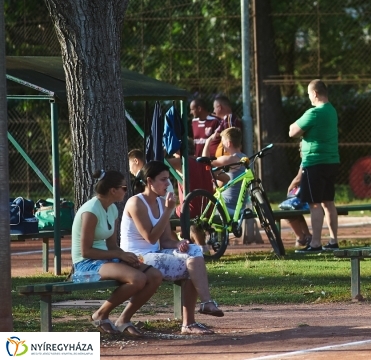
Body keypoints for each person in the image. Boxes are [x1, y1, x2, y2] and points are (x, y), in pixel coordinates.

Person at [121, 161, 223, 335]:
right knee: (191, 267)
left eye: (168, 179)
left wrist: (178, 244)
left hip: (154, 253)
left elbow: (166, 239)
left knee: (195, 251)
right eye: (163, 180)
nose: (168, 184)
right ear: (149, 181)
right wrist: (169, 211)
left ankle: (204, 305)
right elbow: (150, 237)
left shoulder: (161, 203)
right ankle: (190, 321)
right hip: (136, 257)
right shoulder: (135, 203)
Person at [71, 170, 162, 336]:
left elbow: (112, 245)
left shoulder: (112, 209)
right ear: (113, 190)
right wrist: (120, 256)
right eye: (124, 188)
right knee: (138, 279)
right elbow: (85, 251)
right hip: (86, 263)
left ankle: (124, 319)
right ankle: (100, 315)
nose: (126, 191)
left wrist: (127, 256)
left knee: (154, 275)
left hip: (105, 259)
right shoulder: (90, 211)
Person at [289, 79, 341, 253]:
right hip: (332, 160)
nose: (309, 97)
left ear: (316, 93)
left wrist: (296, 127)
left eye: (310, 94)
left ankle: (316, 243)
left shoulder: (314, 113)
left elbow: (292, 131)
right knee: (329, 202)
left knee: (315, 204)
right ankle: (333, 240)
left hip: (315, 163)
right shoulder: (332, 110)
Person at [204, 127, 247, 215]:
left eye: (222, 142)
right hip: (240, 208)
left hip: (227, 207)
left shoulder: (229, 159)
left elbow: (205, 162)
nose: (222, 145)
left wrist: (208, 142)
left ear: (228, 143)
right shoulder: (245, 158)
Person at [285, 164, 312, 247]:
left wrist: (289, 189)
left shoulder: (307, 158)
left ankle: (301, 237)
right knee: (295, 209)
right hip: (316, 196)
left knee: (287, 210)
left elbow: (298, 179)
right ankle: (307, 236)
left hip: (310, 197)